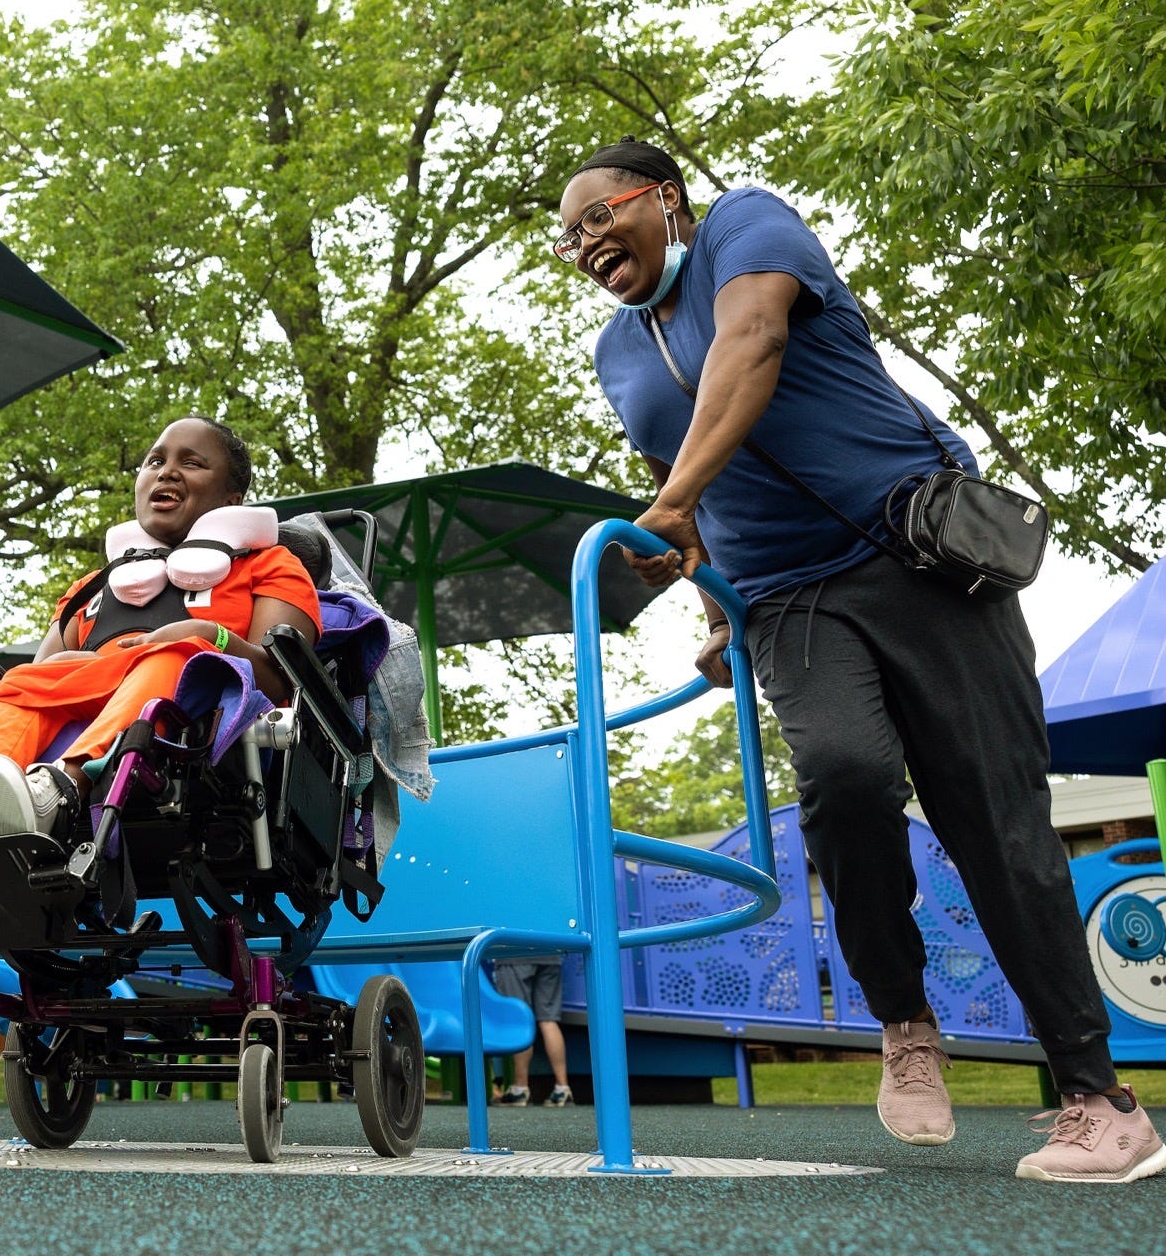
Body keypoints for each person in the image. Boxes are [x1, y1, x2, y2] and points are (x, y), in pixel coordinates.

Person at [559, 135, 1163, 1184]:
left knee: (993, 820)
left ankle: (1095, 1099)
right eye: (563, 237)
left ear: (660, 197)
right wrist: (708, 599)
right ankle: (903, 1020)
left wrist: (668, 503)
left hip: (913, 554)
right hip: (788, 599)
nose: (580, 244)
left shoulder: (745, 224)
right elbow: (684, 490)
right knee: (839, 774)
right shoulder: (615, 352)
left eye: (596, 216)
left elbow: (748, 346)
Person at [0, 415, 321, 855]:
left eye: (191, 463)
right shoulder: (94, 587)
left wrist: (207, 635)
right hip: (87, 690)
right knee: (16, 687)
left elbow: (282, 683)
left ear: (232, 499)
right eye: (154, 461)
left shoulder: (271, 565)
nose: (166, 471)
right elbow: (41, 675)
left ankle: (60, 791)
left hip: (188, 711)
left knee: (175, 656)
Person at [489, 954, 572, 1106]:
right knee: (549, 1020)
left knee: (520, 1022)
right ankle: (562, 1088)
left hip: (514, 953)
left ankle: (520, 1089)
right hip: (550, 952)